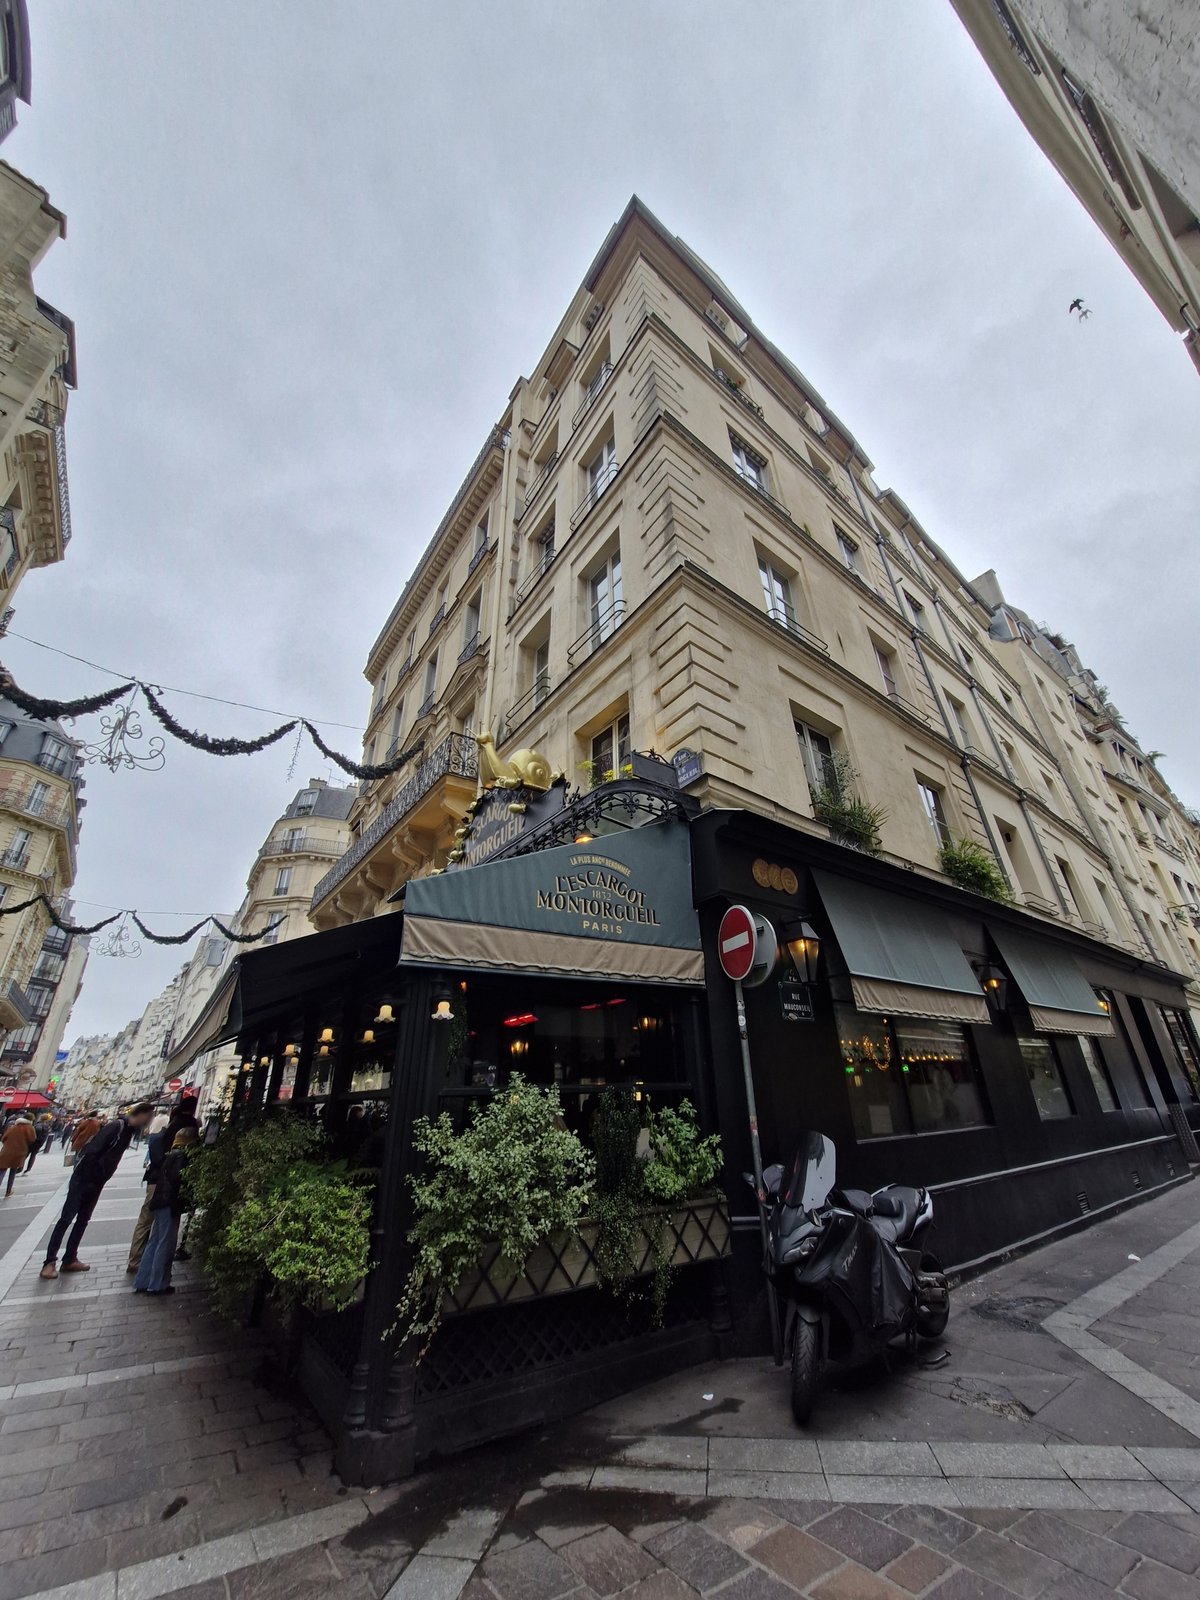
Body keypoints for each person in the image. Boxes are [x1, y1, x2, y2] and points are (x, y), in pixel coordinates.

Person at [39, 1102, 154, 1279]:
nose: (149, 1121)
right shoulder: (117, 1126)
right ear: (143, 1114)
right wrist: (95, 1173)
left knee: (83, 1220)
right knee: (66, 1219)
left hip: (97, 1181)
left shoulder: (128, 1131)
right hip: (84, 1178)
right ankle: (49, 1262)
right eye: (149, 1117)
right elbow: (93, 1150)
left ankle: (70, 1258)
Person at [126, 1097, 201, 1273]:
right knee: (164, 1230)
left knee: (149, 1223)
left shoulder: (172, 1122)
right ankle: (153, 1273)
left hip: (157, 1178)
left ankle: (138, 1262)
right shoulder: (186, 1125)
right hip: (168, 1181)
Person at [133, 1126, 198, 1295]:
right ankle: (158, 1284)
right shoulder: (182, 1157)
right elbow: (178, 1181)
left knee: (154, 1241)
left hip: (159, 1201)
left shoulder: (170, 1154)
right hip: (170, 1202)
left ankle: (143, 1280)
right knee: (165, 1243)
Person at [1, 1113, 37, 1198]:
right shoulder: (30, 1128)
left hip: (6, 1152)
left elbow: (3, 1138)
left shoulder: (13, 1127)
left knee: (1, 1171)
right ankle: (8, 1191)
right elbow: (32, 1139)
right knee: (12, 1173)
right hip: (19, 1153)